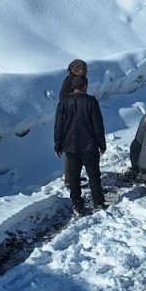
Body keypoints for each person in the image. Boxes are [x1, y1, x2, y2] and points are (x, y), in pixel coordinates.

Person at [54, 75, 107, 215]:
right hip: (89, 146)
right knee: (94, 176)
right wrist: (102, 144)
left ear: (73, 86)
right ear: (85, 86)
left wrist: (57, 145)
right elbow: (98, 125)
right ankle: (99, 203)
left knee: (74, 177)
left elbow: (58, 126)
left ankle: (77, 205)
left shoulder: (64, 103)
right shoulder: (91, 101)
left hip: (70, 146)